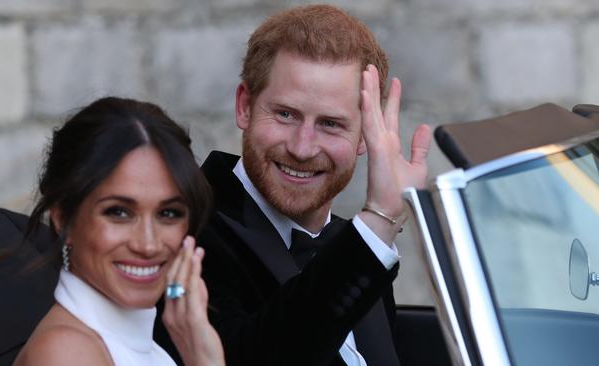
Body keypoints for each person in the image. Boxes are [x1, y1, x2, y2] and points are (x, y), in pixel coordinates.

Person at [152, 5, 432, 366]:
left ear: (366, 135)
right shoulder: (184, 230)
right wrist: (379, 223)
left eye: (330, 124)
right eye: (285, 114)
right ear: (245, 107)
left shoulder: (356, 246)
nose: (302, 147)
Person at [13, 97, 225, 366]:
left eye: (168, 213)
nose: (148, 244)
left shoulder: (147, 348)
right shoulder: (66, 352)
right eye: (119, 212)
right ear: (62, 218)